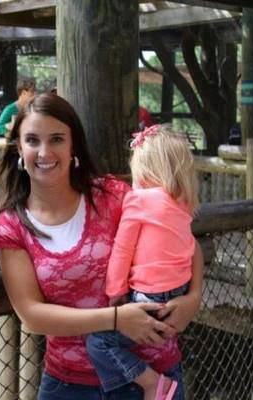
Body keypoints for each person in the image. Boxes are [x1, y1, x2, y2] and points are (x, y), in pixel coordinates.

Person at [0, 93, 203, 400]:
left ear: (73, 146)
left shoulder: (113, 195)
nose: (45, 151)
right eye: (33, 140)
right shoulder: (11, 226)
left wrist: (193, 299)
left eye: (57, 139)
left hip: (154, 379)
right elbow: (32, 315)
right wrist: (116, 319)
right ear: (19, 149)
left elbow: (186, 242)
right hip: (69, 385)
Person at [86, 125, 199, 400]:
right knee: (152, 335)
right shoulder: (183, 204)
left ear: (144, 170)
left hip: (151, 294)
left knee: (98, 342)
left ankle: (152, 383)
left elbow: (123, 249)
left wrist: (115, 291)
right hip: (180, 291)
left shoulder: (139, 200)